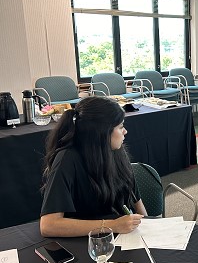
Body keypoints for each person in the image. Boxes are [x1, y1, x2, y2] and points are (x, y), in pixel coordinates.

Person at [40, 96, 147, 237]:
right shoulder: (67, 159)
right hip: (87, 242)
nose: (125, 131)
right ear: (102, 132)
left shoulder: (117, 151)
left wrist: (148, 226)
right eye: (120, 127)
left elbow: (135, 198)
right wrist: (112, 226)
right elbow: (49, 225)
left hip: (123, 237)